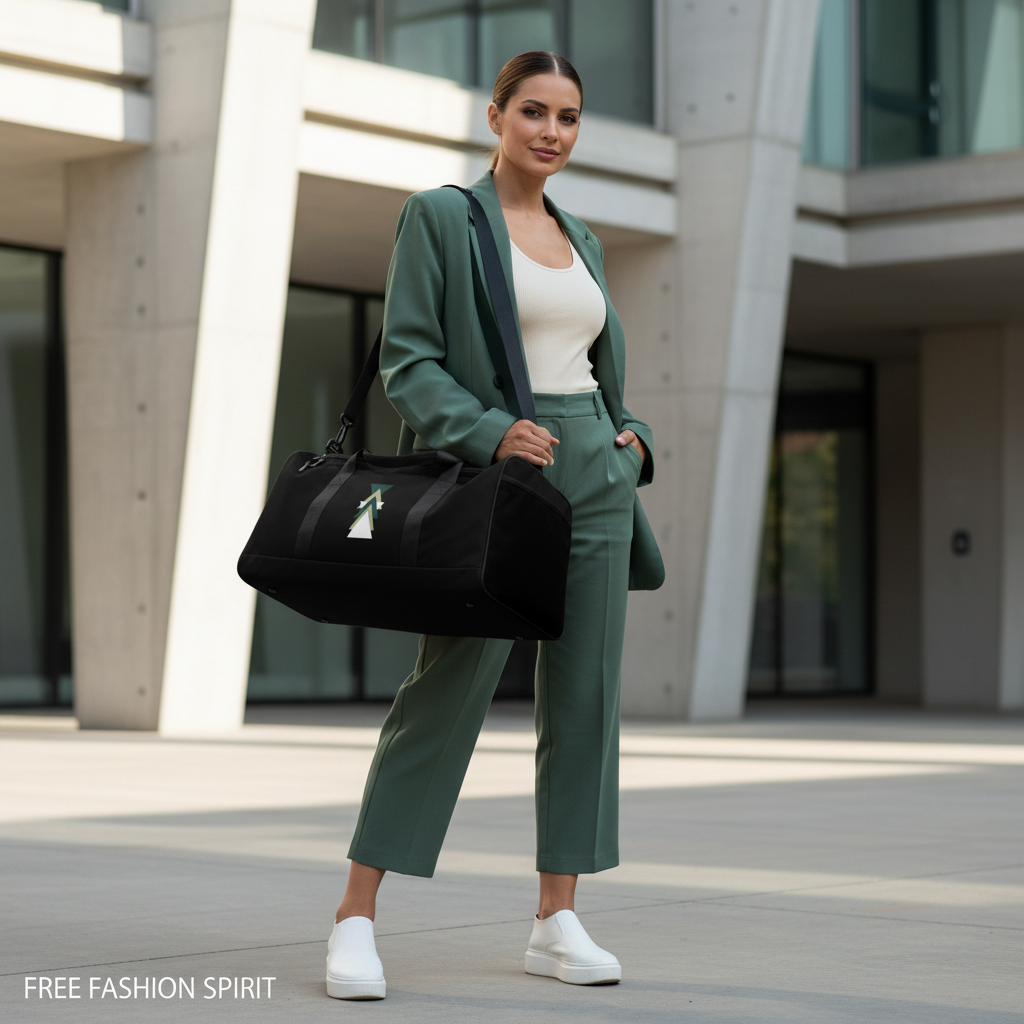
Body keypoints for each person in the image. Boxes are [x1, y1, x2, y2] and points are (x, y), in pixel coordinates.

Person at [324, 50, 663, 1001]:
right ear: (496, 117)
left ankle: (558, 917)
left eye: (568, 117)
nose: (551, 131)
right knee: (448, 688)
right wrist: (487, 432)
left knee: (585, 697)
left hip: (596, 473)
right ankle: (356, 917)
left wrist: (631, 437)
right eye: (534, 113)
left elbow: (594, 363)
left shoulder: (581, 234)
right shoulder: (443, 217)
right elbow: (411, 360)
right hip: (499, 472)